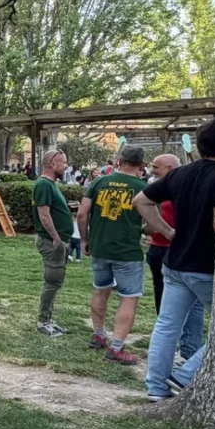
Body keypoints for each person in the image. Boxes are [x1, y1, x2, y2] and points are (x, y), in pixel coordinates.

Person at [134, 117, 215, 400]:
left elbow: (140, 201)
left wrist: (168, 231)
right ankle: (184, 376)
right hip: (206, 266)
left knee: (166, 326)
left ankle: (156, 387)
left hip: (174, 263)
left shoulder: (180, 174)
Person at [77, 145, 147, 365]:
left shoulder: (99, 182)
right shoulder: (141, 187)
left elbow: (81, 214)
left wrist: (85, 239)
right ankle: (116, 347)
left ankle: (98, 334)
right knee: (129, 297)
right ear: (142, 165)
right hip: (127, 251)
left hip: (100, 247)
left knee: (101, 290)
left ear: (119, 160)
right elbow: (150, 218)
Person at [144, 154, 204, 361]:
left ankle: (186, 350)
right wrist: (161, 229)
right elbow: (144, 207)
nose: (152, 170)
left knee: (190, 305)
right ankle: (174, 351)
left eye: (156, 167)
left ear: (170, 167)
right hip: (160, 249)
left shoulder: (182, 185)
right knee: (165, 304)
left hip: (179, 251)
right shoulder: (161, 187)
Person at [32, 150, 72, 337]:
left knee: (55, 282)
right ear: (53, 164)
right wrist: (56, 238)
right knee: (52, 281)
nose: (66, 166)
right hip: (51, 242)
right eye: (63, 163)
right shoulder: (44, 185)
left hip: (57, 241)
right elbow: (44, 214)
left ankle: (48, 319)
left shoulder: (50, 185)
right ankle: (43, 321)